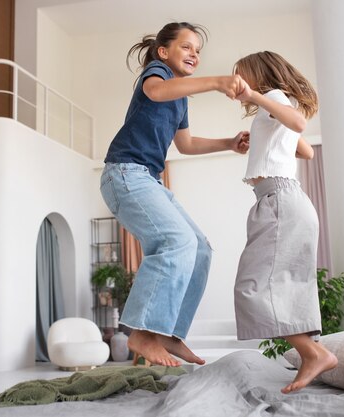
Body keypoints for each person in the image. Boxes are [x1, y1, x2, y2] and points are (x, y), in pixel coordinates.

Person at [100, 22, 249, 367]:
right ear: (164, 52)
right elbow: (154, 92)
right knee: (177, 241)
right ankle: (142, 332)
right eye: (187, 47)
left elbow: (186, 143)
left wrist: (229, 143)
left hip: (148, 179)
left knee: (199, 248)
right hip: (124, 172)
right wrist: (215, 82)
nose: (194, 54)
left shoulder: (179, 97)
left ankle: (169, 334)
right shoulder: (158, 74)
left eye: (198, 50)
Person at [232, 51, 338, 393]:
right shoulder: (275, 105)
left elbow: (298, 124)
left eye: (242, 76)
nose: (239, 84)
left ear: (257, 75)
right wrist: (263, 142)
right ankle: (313, 353)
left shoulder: (273, 97)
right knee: (285, 285)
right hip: (287, 201)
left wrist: (255, 97)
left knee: (254, 286)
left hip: (280, 201)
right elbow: (304, 150)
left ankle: (312, 354)